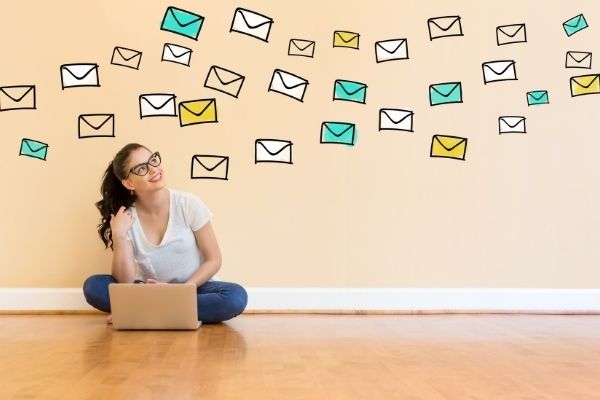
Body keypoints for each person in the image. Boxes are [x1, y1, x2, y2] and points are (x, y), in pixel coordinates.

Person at [83, 143, 247, 324]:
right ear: (128, 183)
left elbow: (213, 260)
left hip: (195, 287)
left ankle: (146, 312)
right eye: (141, 168)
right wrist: (119, 235)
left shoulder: (188, 204)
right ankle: (169, 311)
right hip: (149, 292)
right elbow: (125, 282)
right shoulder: (126, 217)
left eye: (153, 160)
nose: (153, 169)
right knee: (93, 286)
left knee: (235, 297)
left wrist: (181, 292)